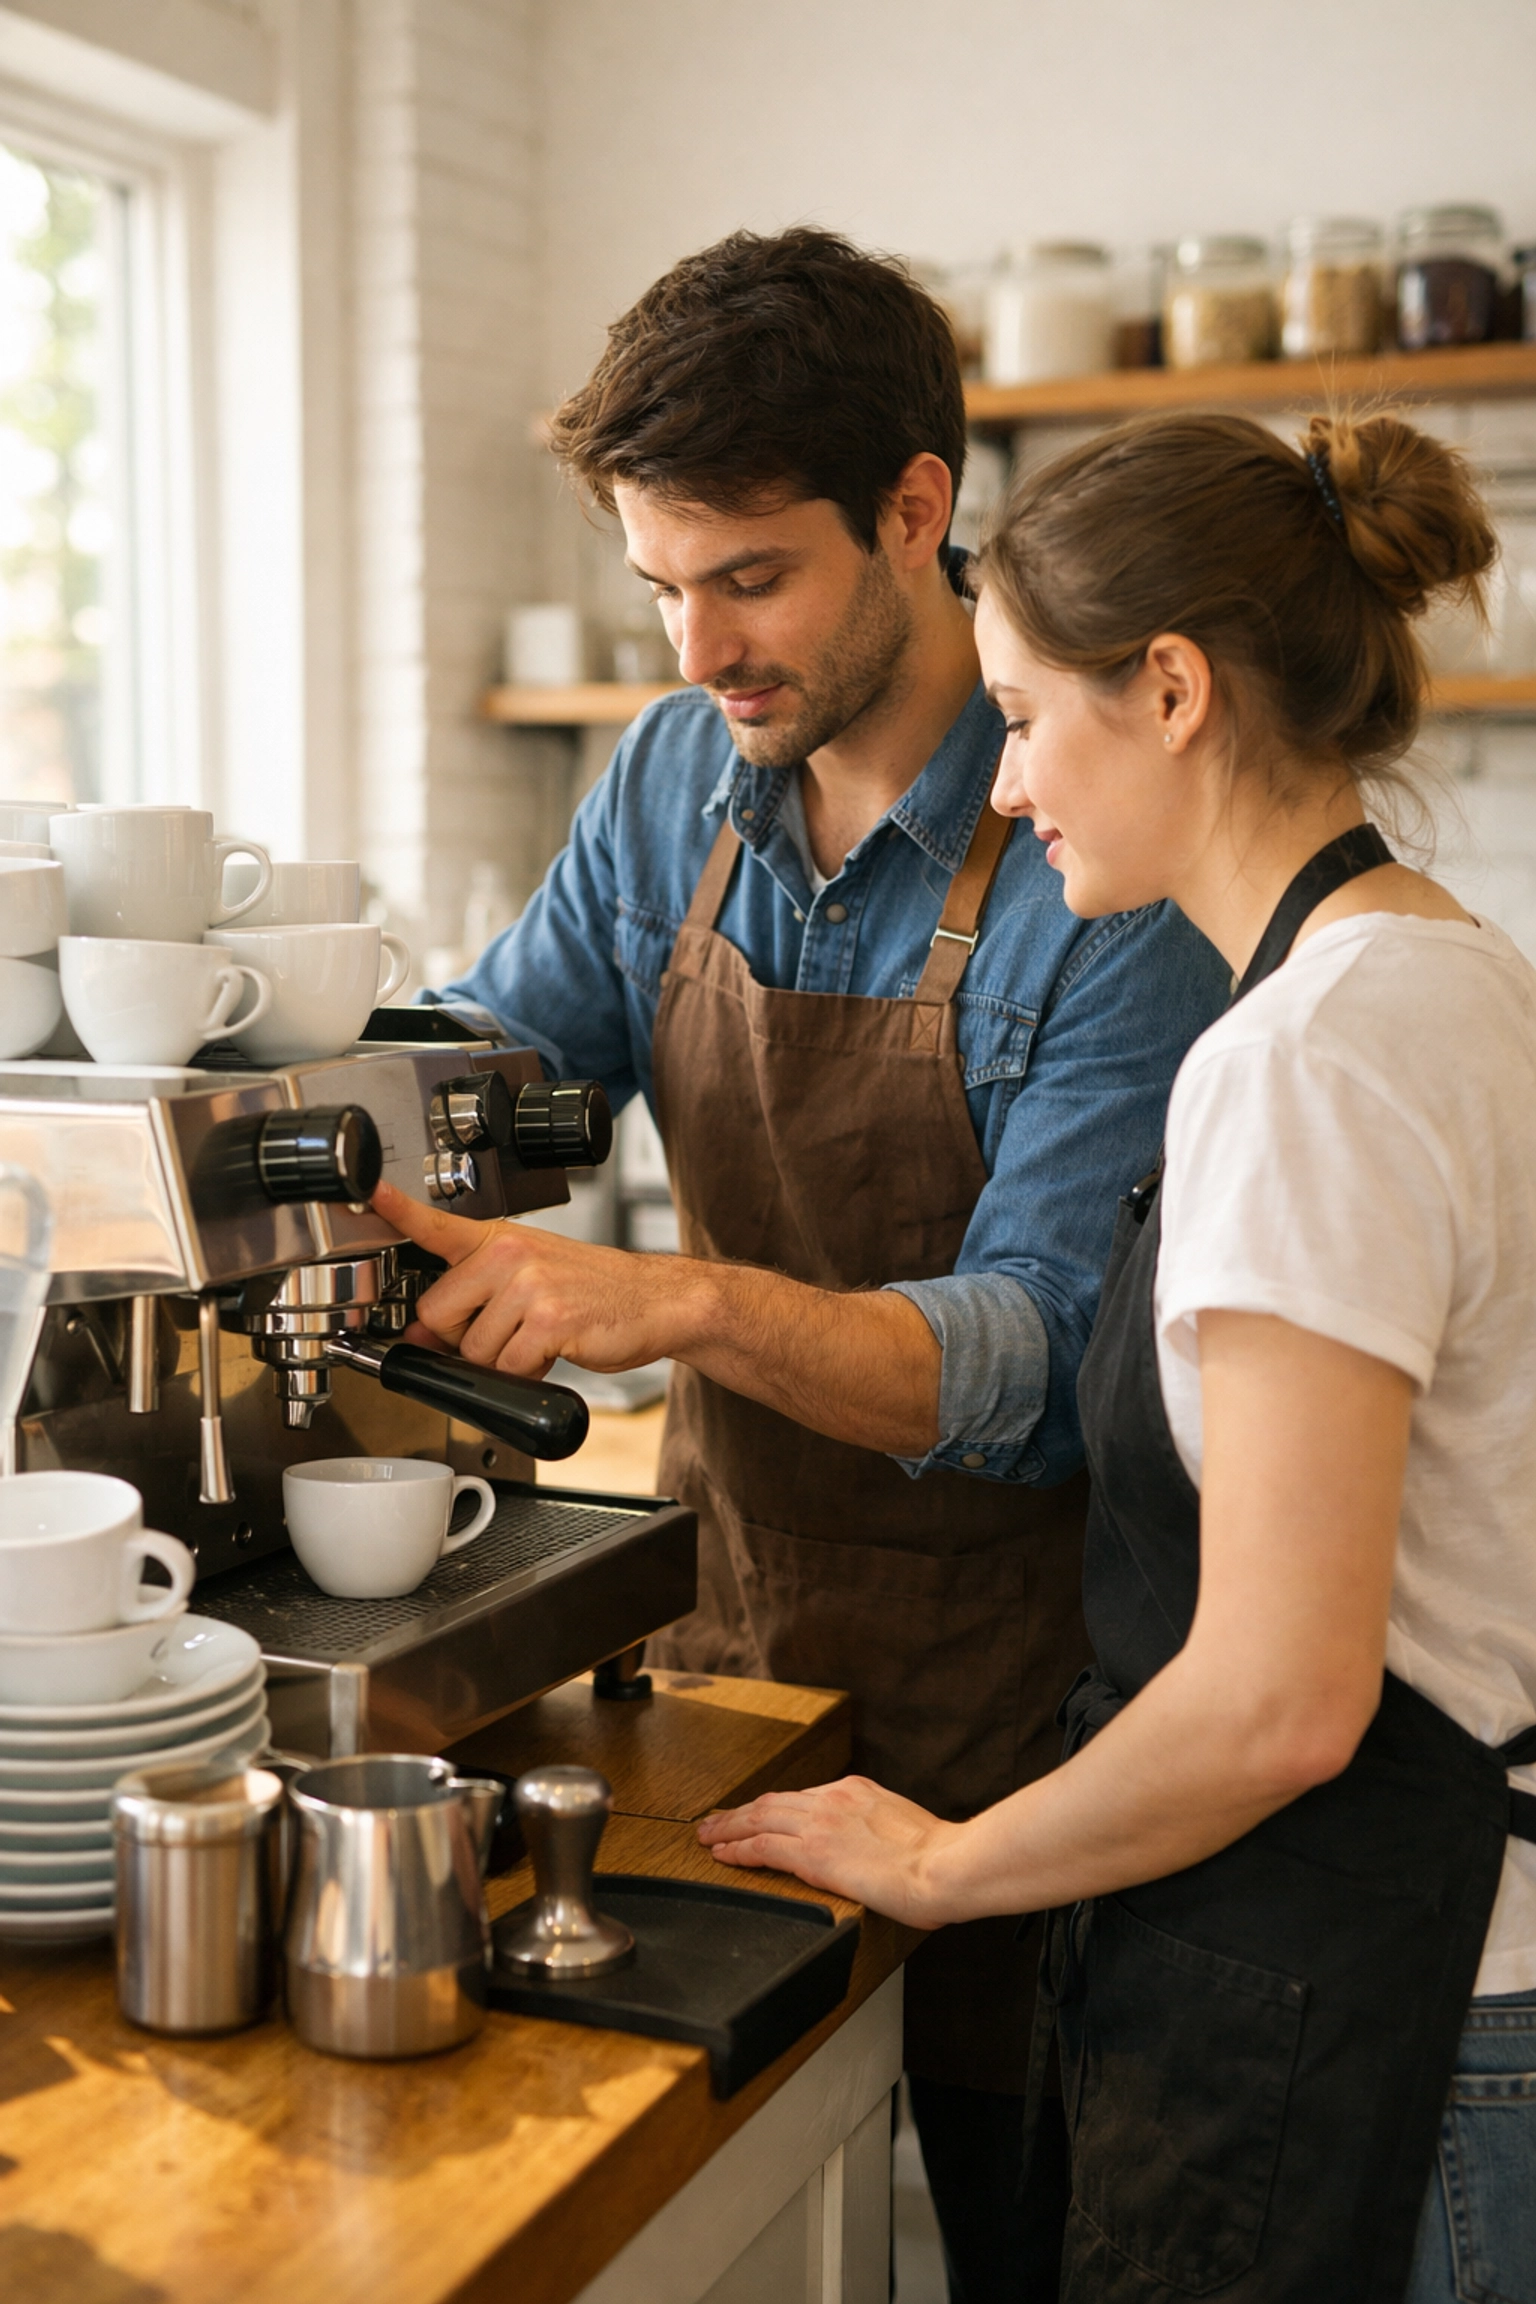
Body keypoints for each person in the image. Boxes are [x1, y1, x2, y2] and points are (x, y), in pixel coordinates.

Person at [375, 229, 1228, 2299]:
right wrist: (258, 1076)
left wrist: (677, 1301)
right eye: (659, 586)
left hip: (1039, 1717)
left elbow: (1026, 1366)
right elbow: (508, 1067)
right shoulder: (680, 773)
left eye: (747, 578)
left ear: (918, 511)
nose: (695, 650)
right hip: (732, 1663)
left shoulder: (1101, 861)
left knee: (1032, 2242)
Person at [697, 404, 1536, 2301]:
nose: (1001, 785)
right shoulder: (1450, 975)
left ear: (1170, 688)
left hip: (1402, 2017)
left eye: (1017, 713)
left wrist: (938, 1868)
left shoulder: (1308, 1058)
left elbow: (1279, 1701)